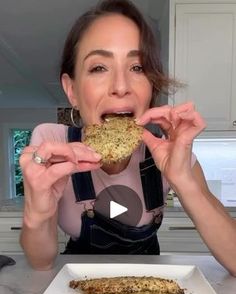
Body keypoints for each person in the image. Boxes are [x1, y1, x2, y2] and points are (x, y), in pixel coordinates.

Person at [19, 0, 236, 275]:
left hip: (149, 291)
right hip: (77, 293)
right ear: (71, 90)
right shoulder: (52, 145)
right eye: (99, 68)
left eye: (137, 68)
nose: (121, 87)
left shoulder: (173, 154)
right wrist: (36, 212)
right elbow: (41, 263)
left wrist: (182, 179)